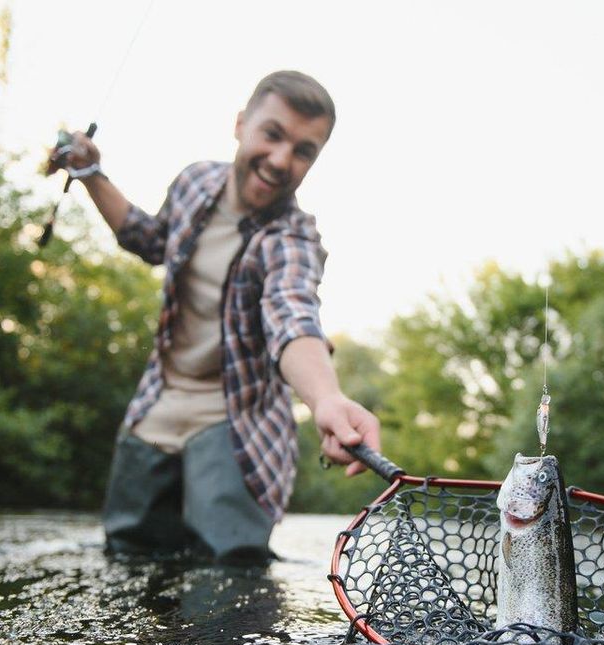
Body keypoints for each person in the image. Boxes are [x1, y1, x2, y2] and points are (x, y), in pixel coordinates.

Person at [56, 70, 380, 561]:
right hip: (158, 403)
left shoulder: (294, 238)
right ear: (240, 124)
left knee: (229, 568)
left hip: (236, 421)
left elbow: (291, 316)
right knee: (127, 557)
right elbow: (148, 239)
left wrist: (326, 399)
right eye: (272, 135)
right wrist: (90, 174)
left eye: (303, 151)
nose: (280, 160)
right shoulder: (194, 181)